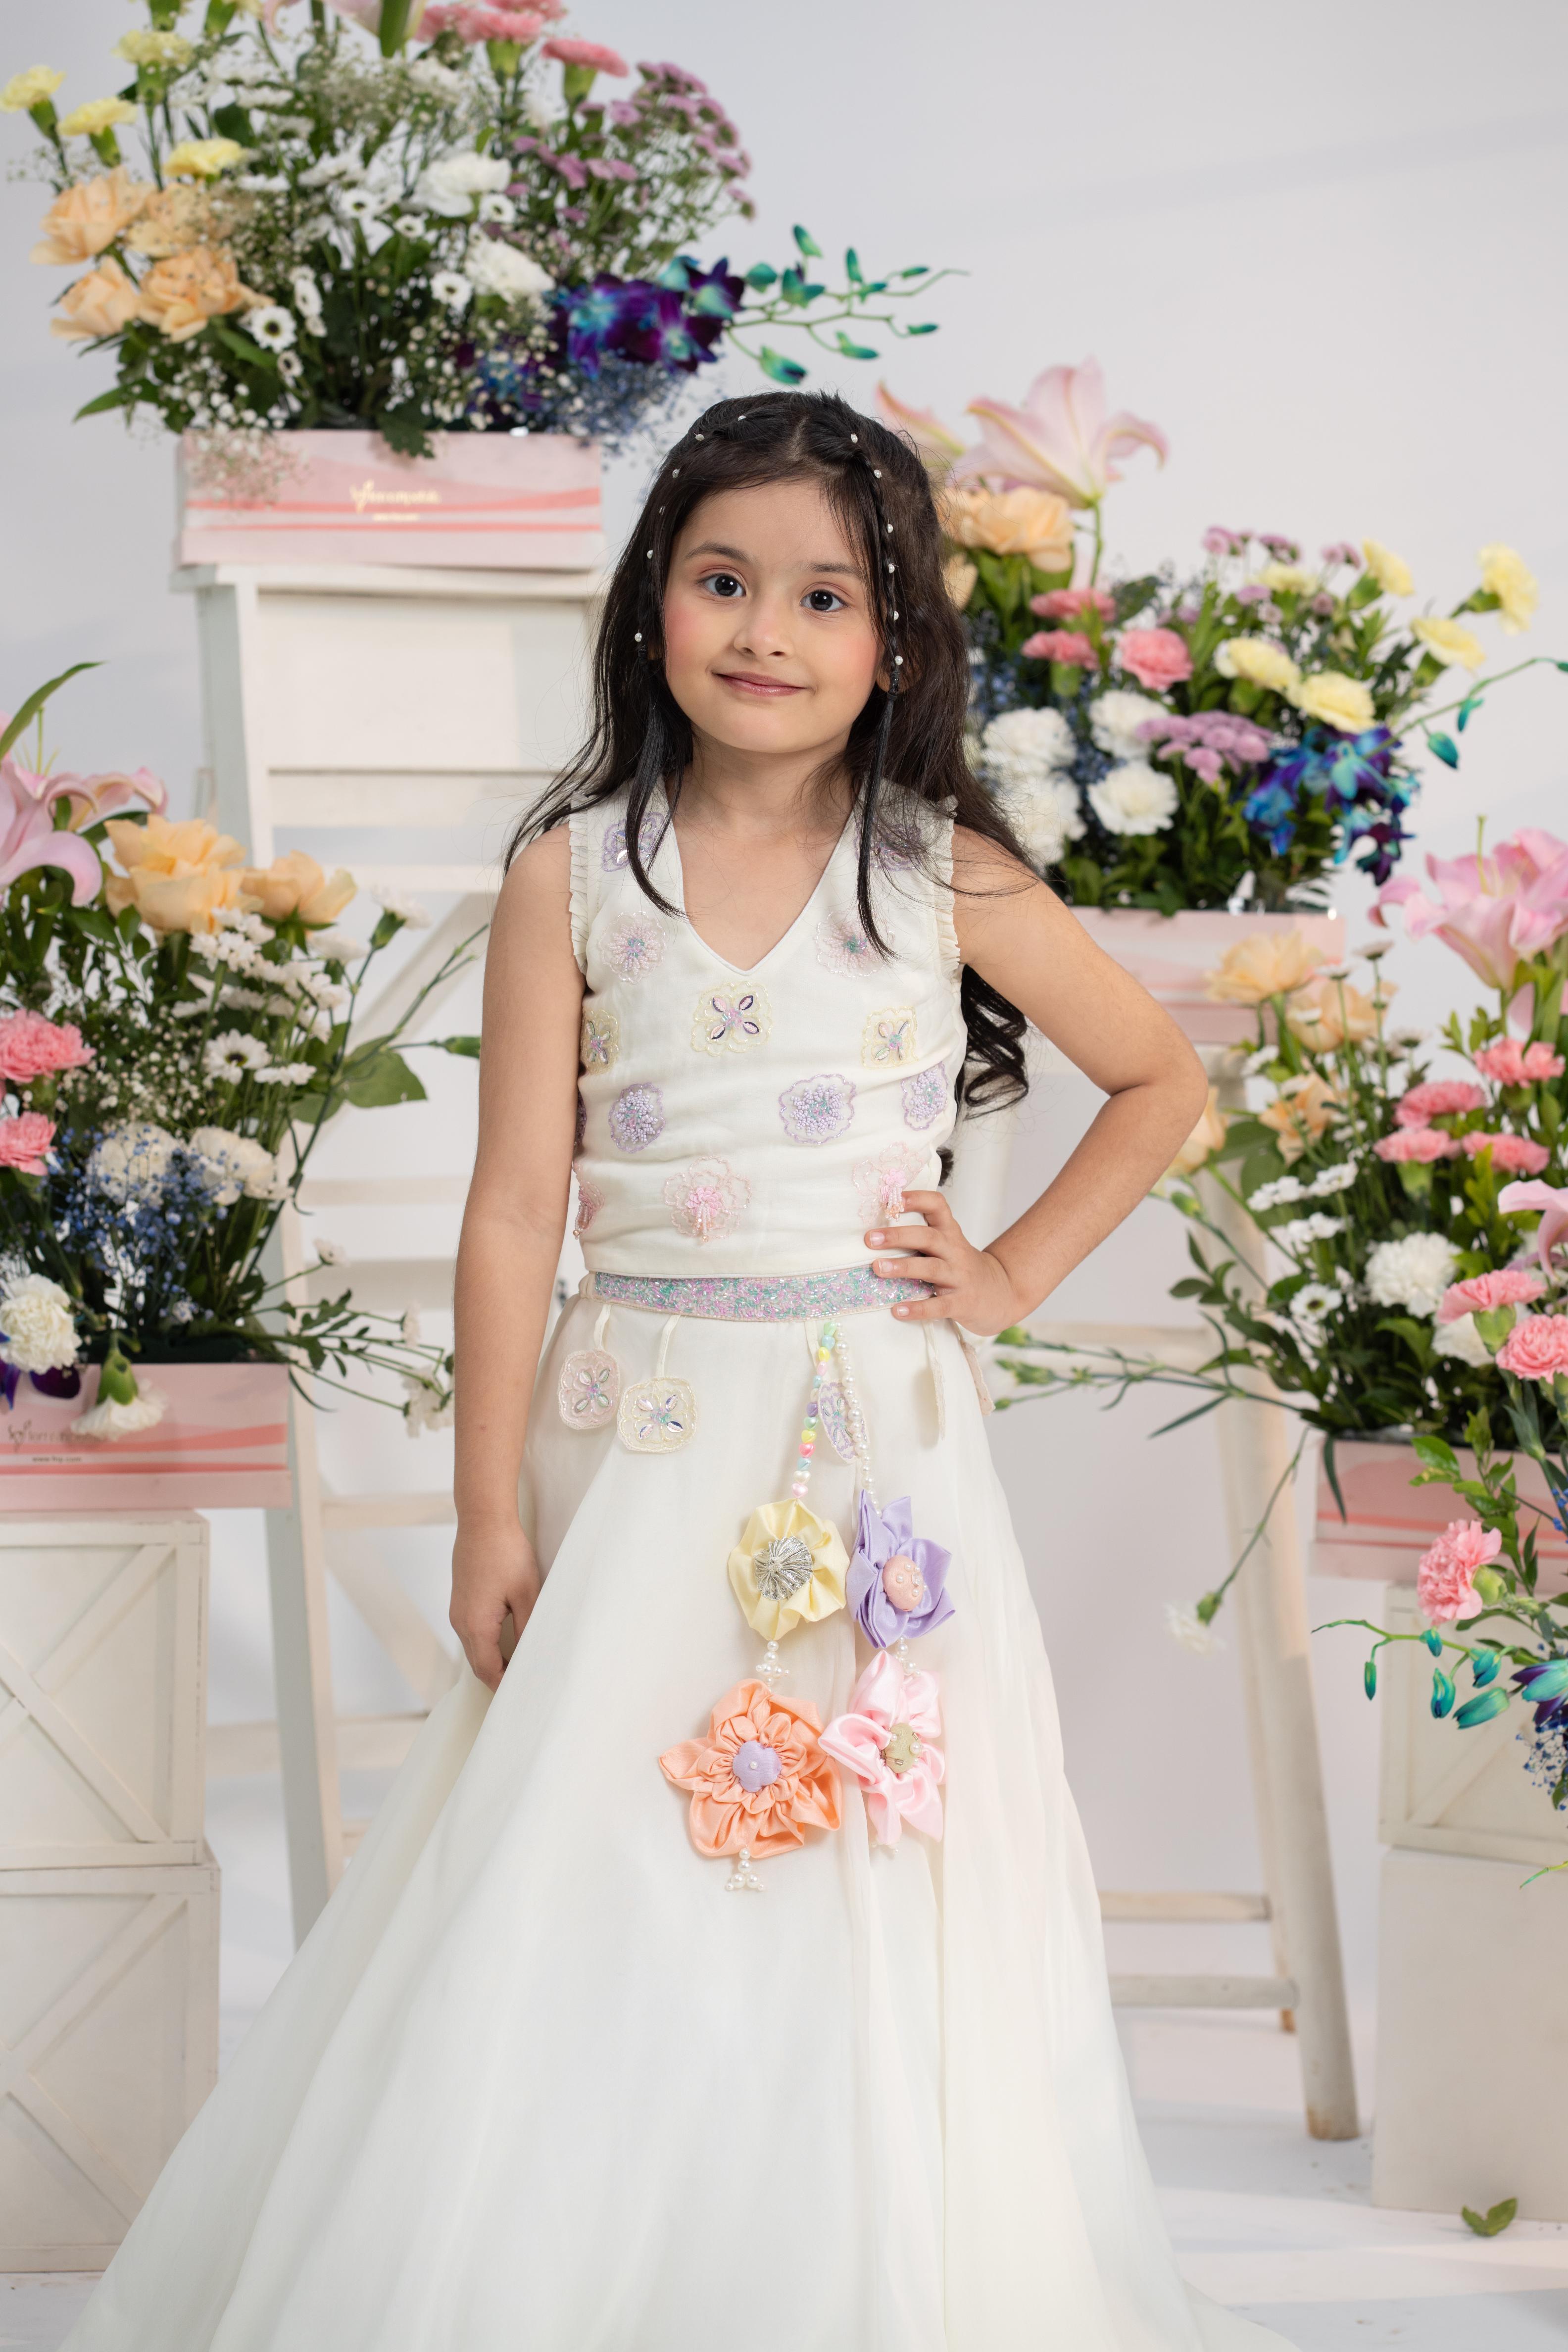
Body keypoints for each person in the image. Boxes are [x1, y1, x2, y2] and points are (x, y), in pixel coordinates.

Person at [63, 391, 1293, 2351]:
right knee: (596, 1828)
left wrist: (1006, 1276)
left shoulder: (938, 870)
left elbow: (1160, 1078)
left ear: (896, 643)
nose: (764, 631)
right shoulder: (573, 871)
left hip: (870, 1448)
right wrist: (483, 1509)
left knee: (864, 1844)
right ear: (652, 602)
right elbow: (508, 1213)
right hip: (628, 1439)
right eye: (724, 579)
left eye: (823, 596)